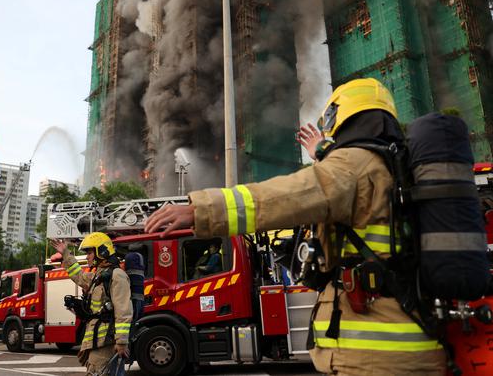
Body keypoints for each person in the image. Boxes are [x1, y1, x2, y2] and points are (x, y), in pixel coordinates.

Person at [144, 78, 446, 375]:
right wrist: (323, 153)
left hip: (372, 354)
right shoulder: (402, 167)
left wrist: (201, 210)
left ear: (341, 116)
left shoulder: (354, 164)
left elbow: (284, 198)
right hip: (415, 338)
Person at [51, 233, 132, 376]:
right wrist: (65, 253)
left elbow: (123, 310)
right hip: (97, 341)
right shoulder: (98, 276)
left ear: (101, 252)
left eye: (89, 252)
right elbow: (79, 276)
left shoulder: (117, 275)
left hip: (106, 343)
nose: (87, 256)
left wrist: (121, 342)